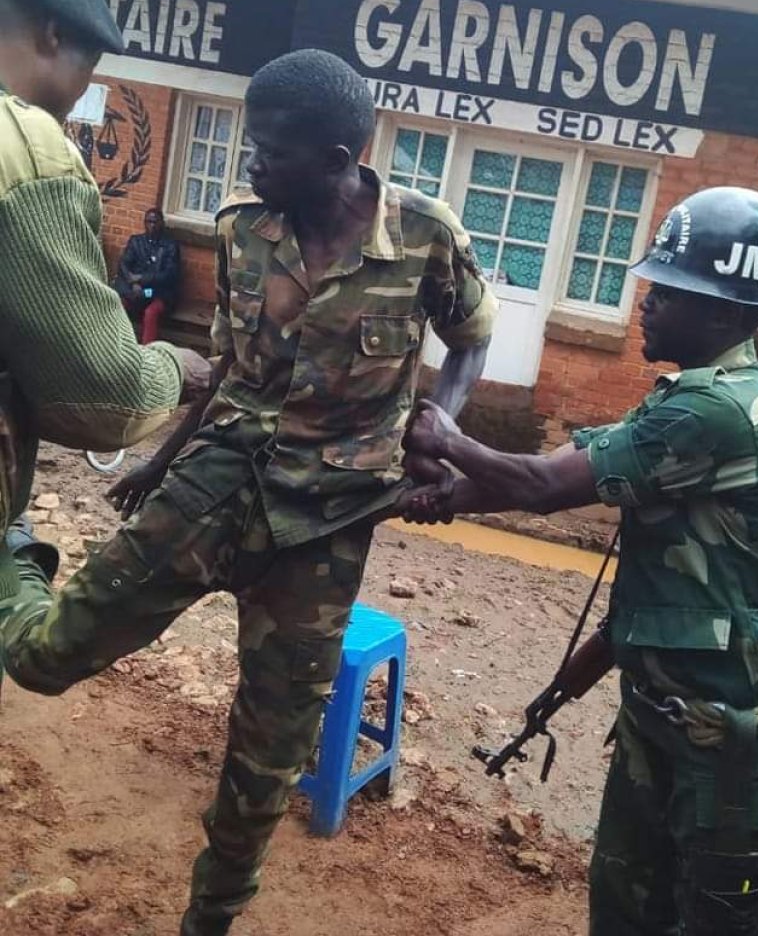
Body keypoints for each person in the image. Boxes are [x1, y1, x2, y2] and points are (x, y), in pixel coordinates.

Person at [0, 48, 498, 935]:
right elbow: (234, 366)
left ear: (337, 161)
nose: (249, 165)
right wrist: (159, 460)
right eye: (247, 144)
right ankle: (13, 550)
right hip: (215, 481)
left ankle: (212, 917)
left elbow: (470, 341)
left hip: (328, 522)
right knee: (43, 659)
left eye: (269, 151)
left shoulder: (427, 235)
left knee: (270, 755)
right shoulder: (242, 230)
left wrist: (442, 429)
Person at [398, 188, 758, 936]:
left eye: (670, 292)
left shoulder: (717, 414)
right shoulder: (688, 397)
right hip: (665, 719)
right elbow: (569, 464)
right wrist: (449, 496)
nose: (646, 303)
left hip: (732, 742)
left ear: (726, 314)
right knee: (625, 907)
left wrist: (447, 440)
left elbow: (543, 490)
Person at [0, 0, 210, 598]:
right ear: (54, 33)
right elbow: (102, 399)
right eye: (90, 67)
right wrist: (176, 369)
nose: (80, 92)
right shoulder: (24, 147)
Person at [114, 208, 182, 343]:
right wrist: (133, 283)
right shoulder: (136, 241)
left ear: (162, 223)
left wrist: (141, 279)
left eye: (155, 222)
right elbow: (123, 264)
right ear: (144, 223)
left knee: (151, 312)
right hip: (135, 291)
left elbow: (169, 275)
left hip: (156, 292)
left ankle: (147, 350)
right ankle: (117, 344)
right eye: (149, 222)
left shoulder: (170, 246)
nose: (152, 225)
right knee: (119, 303)